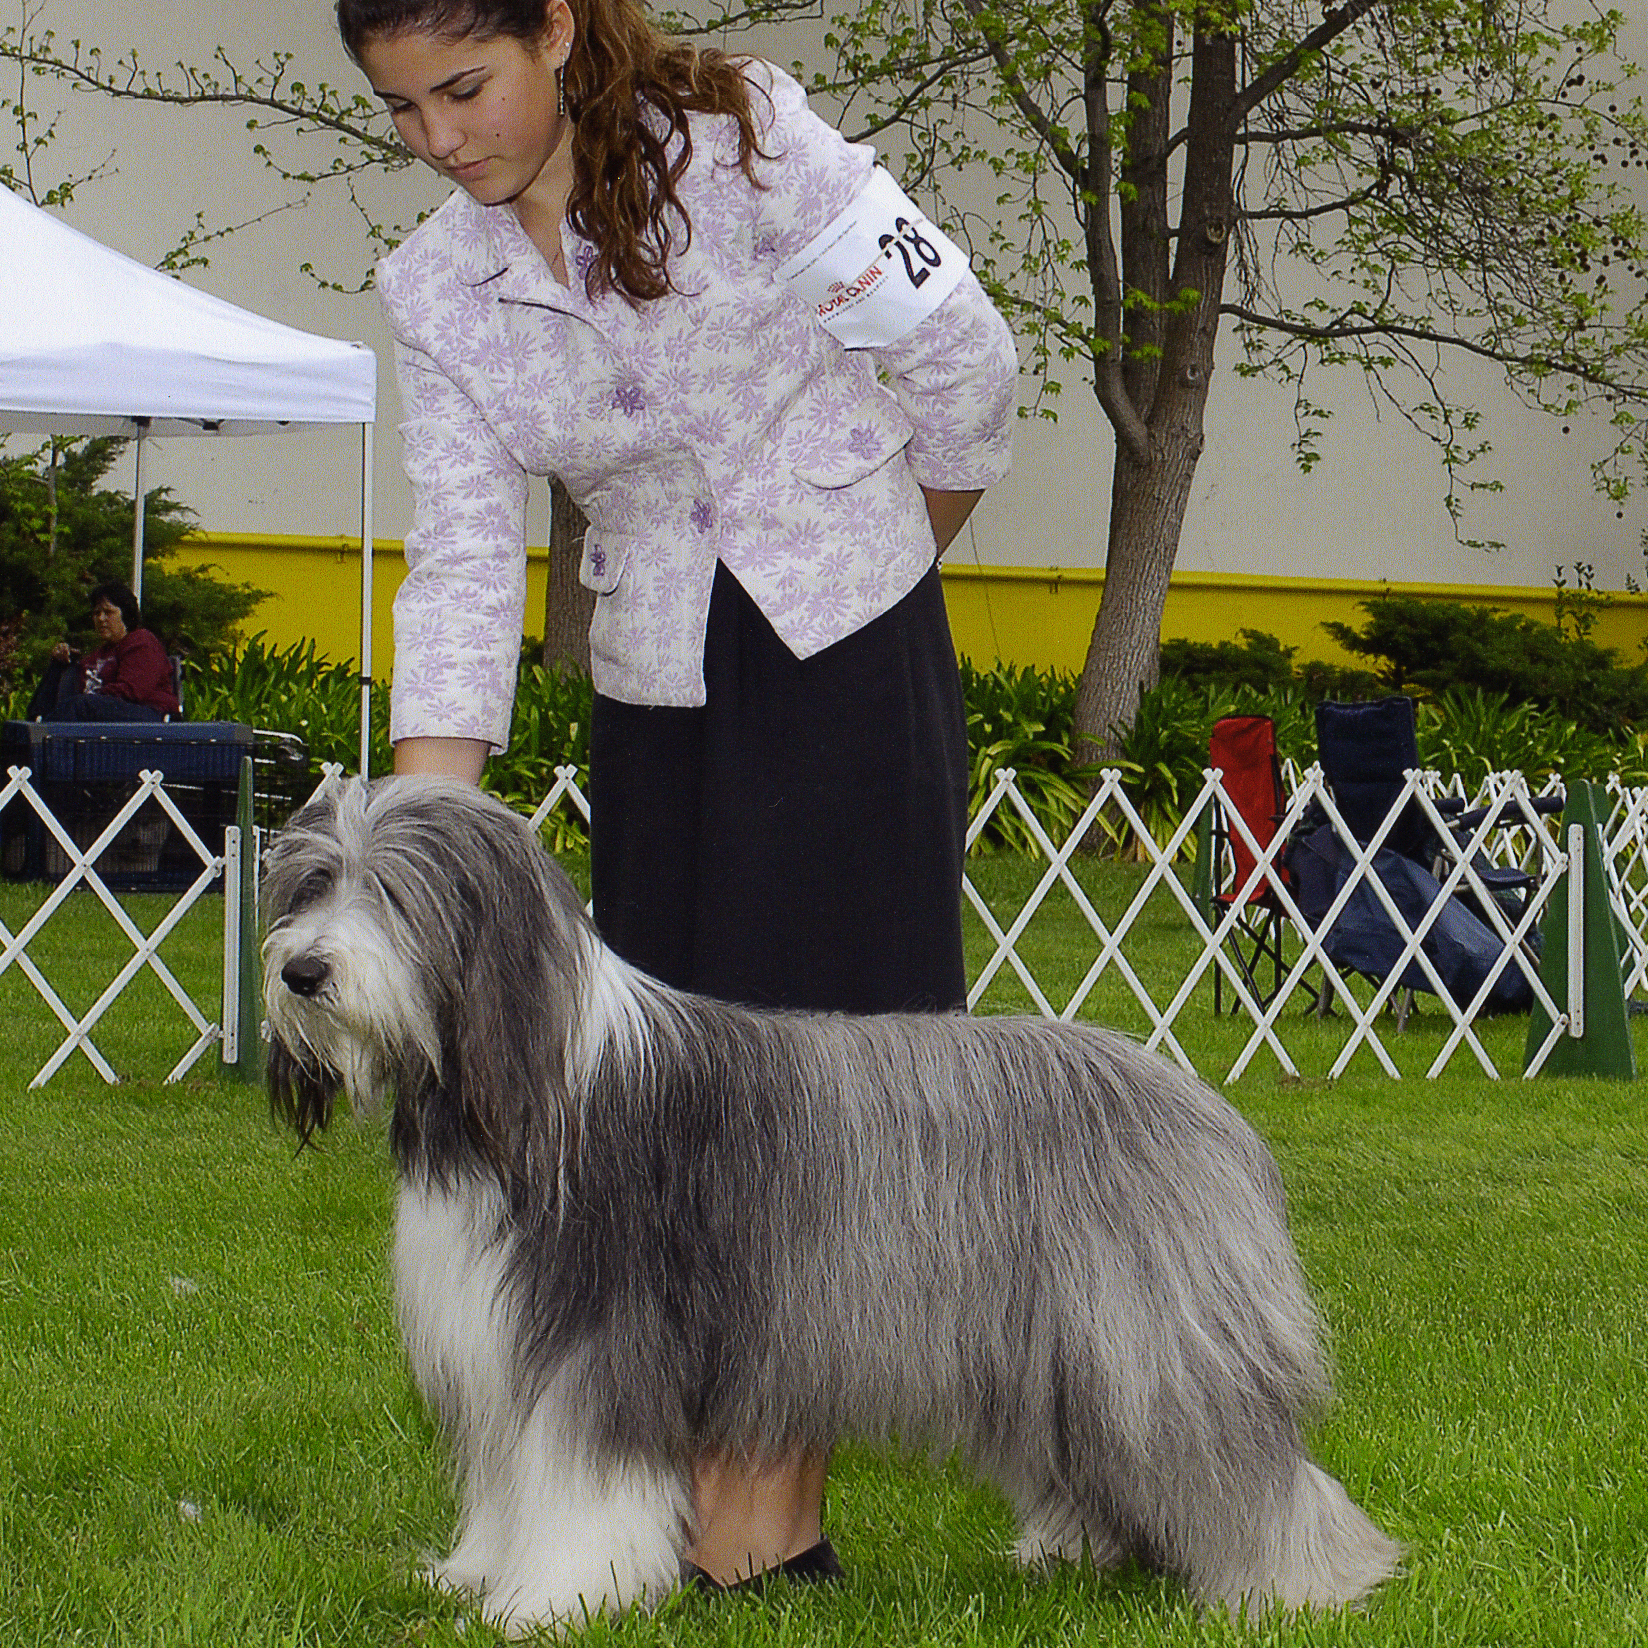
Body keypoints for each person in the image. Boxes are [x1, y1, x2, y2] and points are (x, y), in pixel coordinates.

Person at [336, 0, 1018, 1591]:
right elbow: (454, 562)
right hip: (653, 690)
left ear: (558, 30)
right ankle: (706, 1499)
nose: (442, 140)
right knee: (670, 1127)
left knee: (841, 1107)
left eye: (464, 87)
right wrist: (415, 850)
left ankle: (760, 1522)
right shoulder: (435, 286)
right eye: (401, 111)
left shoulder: (756, 138)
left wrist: (879, 551)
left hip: (850, 651)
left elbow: (963, 352)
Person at [30, 582, 180, 722]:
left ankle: (48, 739)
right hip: (103, 716)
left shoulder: (142, 642)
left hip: (149, 716)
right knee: (38, 714)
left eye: (108, 612)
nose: (101, 619)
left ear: (126, 614)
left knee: (82, 706)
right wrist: (58, 665)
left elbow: (131, 692)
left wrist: (88, 700)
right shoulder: (98, 655)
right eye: (96, 613)